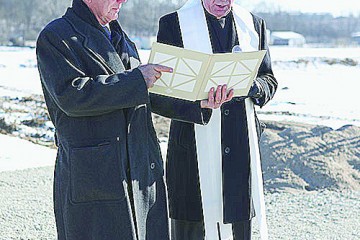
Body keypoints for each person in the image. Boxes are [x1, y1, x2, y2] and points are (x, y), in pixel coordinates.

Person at [36, 0, 173, 239]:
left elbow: (142, 96)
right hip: (96, 175)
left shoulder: (122, 39)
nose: (122, 0)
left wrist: (198, 103)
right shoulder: (56, 36)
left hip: (138, 170)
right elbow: (71, 96)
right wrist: (136, 80)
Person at [150, 0, 278, 239]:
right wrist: (200, 104)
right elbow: (159, 96)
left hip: (239, 154)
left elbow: (268, 79)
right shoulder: (173, 25)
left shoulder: (253, 25)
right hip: (192, 155)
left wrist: (253, 86)